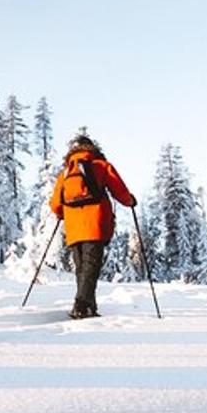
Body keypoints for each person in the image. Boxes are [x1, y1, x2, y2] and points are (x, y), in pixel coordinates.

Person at [48, 134, 135, 319]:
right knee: (91, 267)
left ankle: (89, 307)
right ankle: (81, 305)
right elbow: (118, 189)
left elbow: (56, 203)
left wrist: (62, 214)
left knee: (82, 268)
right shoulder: (101, 166)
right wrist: (130, 201)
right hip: (95, 223)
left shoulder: (65, 172)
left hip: (72, 228)